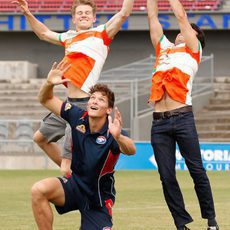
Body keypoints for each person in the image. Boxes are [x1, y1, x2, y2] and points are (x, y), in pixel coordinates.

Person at [13, 0, 134, 175]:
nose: (83, 15)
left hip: (85, 105)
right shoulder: (68, 37)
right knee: (40, 138)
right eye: (79, 13)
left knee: (67, 166)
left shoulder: (101, 33)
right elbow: (44, 33)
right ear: (74, 19)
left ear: (93, 18)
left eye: (87, 13)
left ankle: (74, 175)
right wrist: (27, 12)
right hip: (68, 103)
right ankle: (76, 172)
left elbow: (124, 12)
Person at [31, 60, 136, 230]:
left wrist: (119, 138)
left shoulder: (113, 131)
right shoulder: (77, 116)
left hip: (98, 198)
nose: (94, 101)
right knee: (38, 190)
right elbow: (45, 99)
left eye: (101, 100)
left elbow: (131, 150)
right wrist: (49, 83)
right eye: (92, 97)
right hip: (74, 185)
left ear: (108, 109)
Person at [147, 0, 219, 230]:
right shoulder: (163, 48)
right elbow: (152, 17)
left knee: (196, 170)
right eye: (184, 32)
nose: (183, 33)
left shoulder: (193, 52)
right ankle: (181, 224)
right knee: (166, 176)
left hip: (182, 118)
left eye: (190, 33)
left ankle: (211, 221)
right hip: (158, 123)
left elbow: (181, 16)